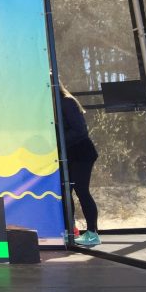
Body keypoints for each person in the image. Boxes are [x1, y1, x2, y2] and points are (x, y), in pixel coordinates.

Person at [60, 82, 101, 246]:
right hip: (69, 155)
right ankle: (72, 230)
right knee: (65, 192)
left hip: (82, 153)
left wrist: (58, 140)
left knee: (81, 191)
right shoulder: (53, 106)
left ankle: (92, 233)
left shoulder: (67, 102)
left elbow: (80, 130)